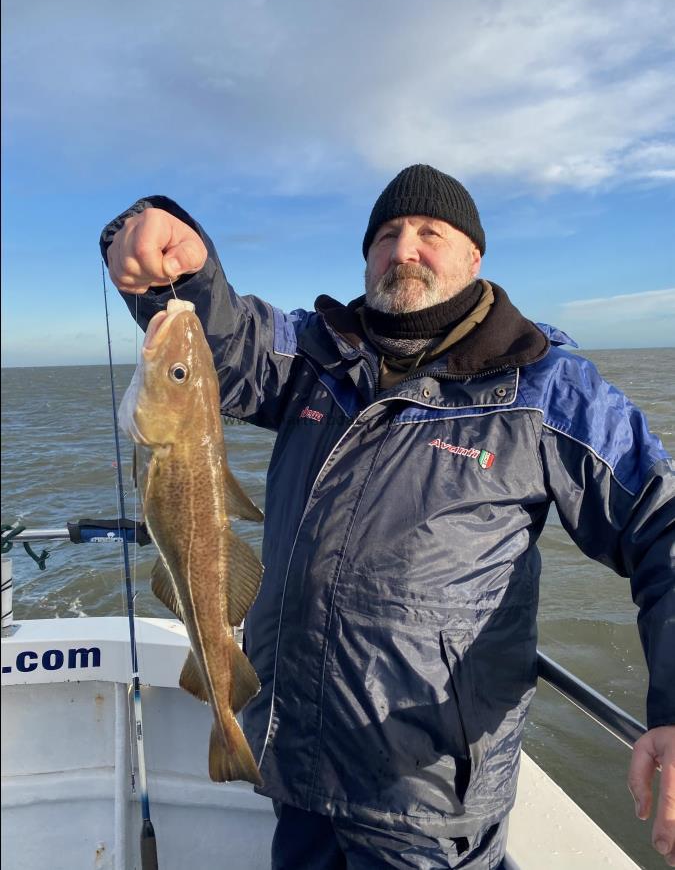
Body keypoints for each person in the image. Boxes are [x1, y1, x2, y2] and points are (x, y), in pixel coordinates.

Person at [101, 165, 675, 869]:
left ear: (474, 257)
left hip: (423, 794)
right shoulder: (316, 357)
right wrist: (168, 261)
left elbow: (662, 525)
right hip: (298, 763)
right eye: (386, 235)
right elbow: (221, 343)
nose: (404, 248)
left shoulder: (545, 390)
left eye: (430, 233)